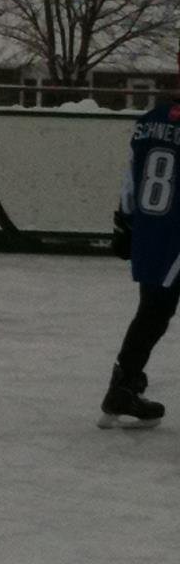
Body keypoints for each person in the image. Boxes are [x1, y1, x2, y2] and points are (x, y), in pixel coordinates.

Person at [99, 96, 180, 429]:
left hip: (154, 233)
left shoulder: (150, 120)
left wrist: (126, 223)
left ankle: (122, 389)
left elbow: (131, 177)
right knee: (154, 314)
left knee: (153, 313)